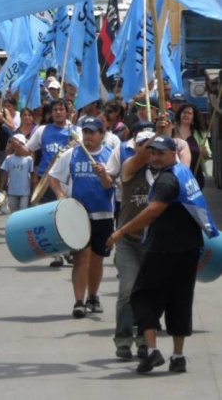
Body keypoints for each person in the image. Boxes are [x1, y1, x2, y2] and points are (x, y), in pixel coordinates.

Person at [107, 135, 218, 374]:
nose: (155, 158)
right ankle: (178, 357)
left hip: (163, 250)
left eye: (160, 153)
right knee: (180, 301)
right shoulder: (184, 173)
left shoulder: (167, 180)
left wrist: (121, 231)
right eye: (153, 153)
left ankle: (151, 350)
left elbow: (153, 210)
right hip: (188, 249)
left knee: (142, 297)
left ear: (173, 153)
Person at [48, 117, 115, 318]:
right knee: (80, 258)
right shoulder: (72, 154)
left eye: (93, 132)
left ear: (102, 135)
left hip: (103, 213)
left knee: (97, 258)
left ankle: (93, 297)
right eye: (85, 132)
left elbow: (111, 185)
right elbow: (53, 176)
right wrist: (60, 194)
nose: (88, 136)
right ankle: (79, 301)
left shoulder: (110, 155)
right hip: (78, 214)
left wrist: (103, 175)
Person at [106, 128, 156, 360]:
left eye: (152, 144)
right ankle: (123, 339)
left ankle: (144, 341)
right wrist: (161, 133)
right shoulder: (128, 167)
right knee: (127, 291)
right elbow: (143, 156)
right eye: (142, 144)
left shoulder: (164, 172)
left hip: (153, 242)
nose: (147, 148)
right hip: (128, 242)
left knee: (148, 294)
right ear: (135, 147)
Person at [22, 98, 81, 267]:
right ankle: (57, 254)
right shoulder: (42, 130)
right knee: (50, 218)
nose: (58, 112)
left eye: (61, 109)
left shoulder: (76, 131)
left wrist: (76, 143)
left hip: (68, 181)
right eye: (55, 109)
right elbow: (28, 149)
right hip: (46, 180)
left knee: (67, 217)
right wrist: (18, 147)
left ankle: (70, 249)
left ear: (67, 112)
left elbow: (84, 150)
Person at [175, 103, 211, 188]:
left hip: (195, 176)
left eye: (189, 113)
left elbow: (207, 155)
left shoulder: (199, 134)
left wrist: (204, 152)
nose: (186, 115)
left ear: (193, 118)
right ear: (180, 114)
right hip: (175, 176)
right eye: (184, 112)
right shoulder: (173, 131)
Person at [0, 134, 33, 213]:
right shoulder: (9, 158)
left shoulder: (29, 159)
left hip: (25, 190)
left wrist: (33, 189)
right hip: (12, 190)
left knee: (23, 210)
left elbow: (32, 174)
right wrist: (1, 186)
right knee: (14, 211)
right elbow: (5, 173)